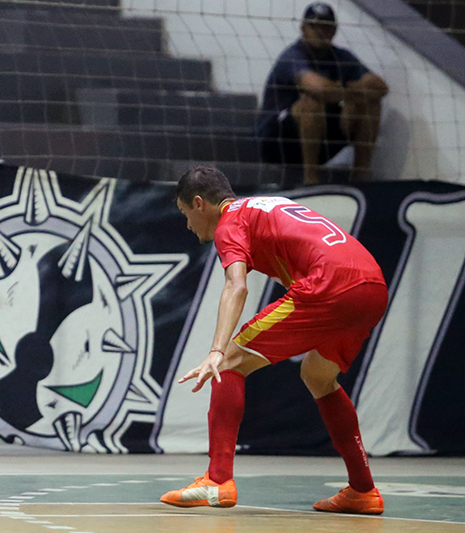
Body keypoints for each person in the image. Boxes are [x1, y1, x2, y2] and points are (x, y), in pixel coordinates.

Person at [160, 166, 388, 514]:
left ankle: (218, 480)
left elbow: (236, 285)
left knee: (231, 363)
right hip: (373, 287)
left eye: (184, 214)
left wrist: (216, 350)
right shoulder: (268, 205)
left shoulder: (228, 223)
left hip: (331, 284)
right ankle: (362, 490)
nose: (188, 224)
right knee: (318, 376)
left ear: (199, 203)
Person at [257, 2, 389, 185]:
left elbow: (380, 87)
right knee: (312, 101)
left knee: (370, 103)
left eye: (326, 26)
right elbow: (318, 89)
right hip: (279, 143)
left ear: (334, 31)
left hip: (321, 140)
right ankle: (310, 180)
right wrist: (351, 96)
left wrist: (351, 100)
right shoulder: (293, 56)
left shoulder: (341, 57)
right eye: (314, 25)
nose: (320, 31)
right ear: (303, 29)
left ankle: (360, 177)